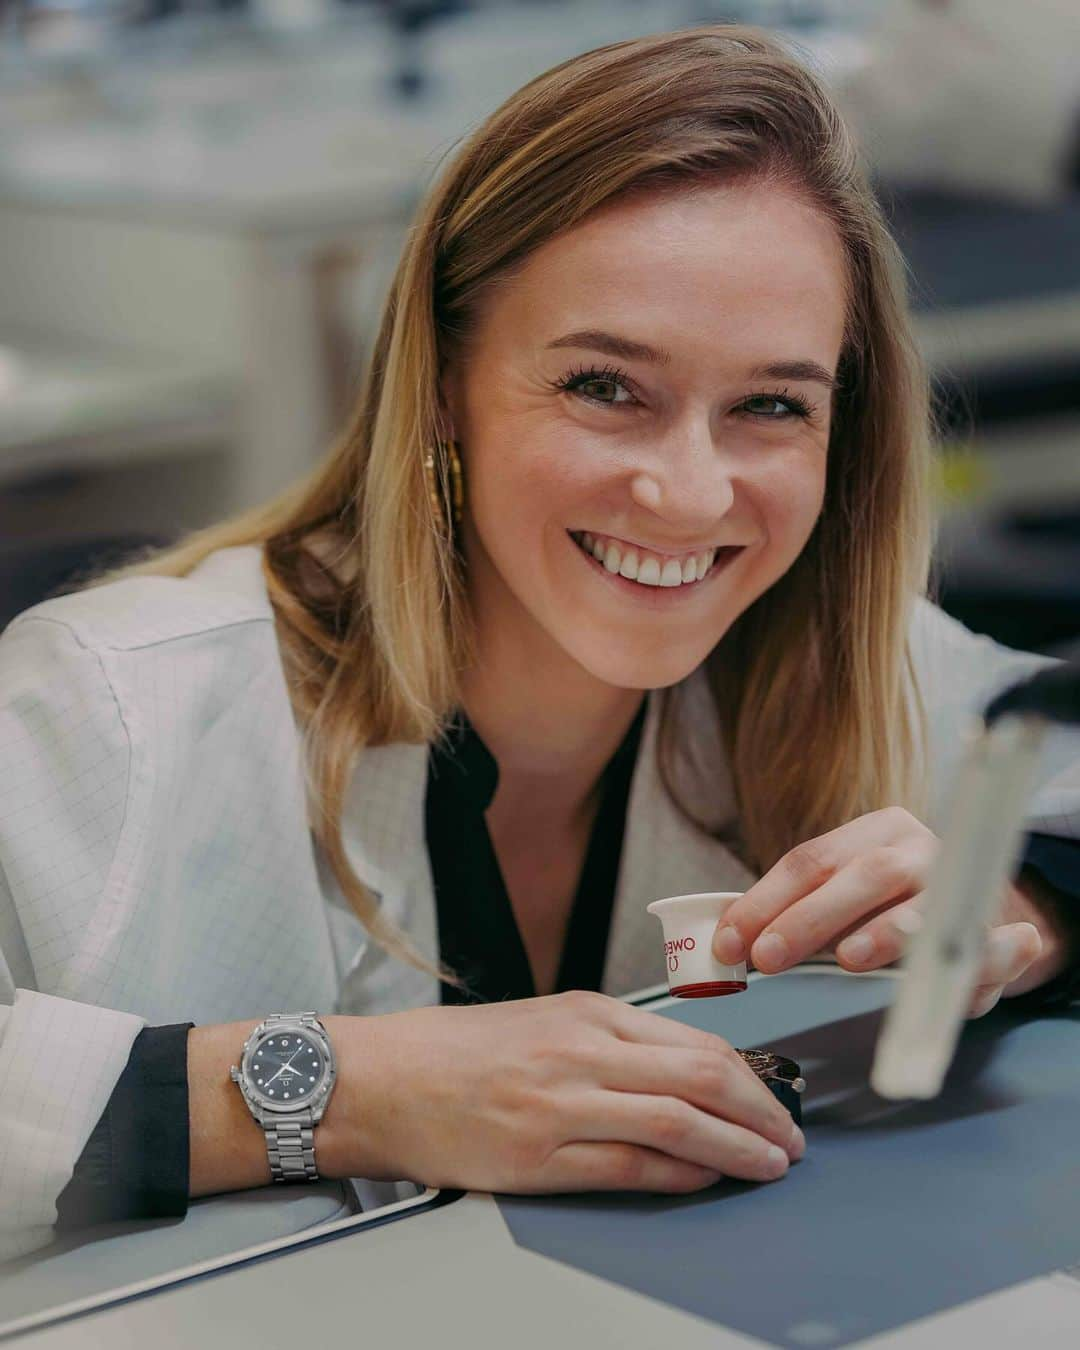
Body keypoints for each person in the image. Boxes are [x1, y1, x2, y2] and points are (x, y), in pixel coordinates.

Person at [1, 25, 1078, 1265]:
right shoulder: (106, 713)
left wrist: (1032, 900)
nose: (688, 494)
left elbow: (1057, 779)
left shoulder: (844, 659)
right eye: (604, 387)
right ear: (443, 385)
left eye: (771, 405)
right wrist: (344, 1095)